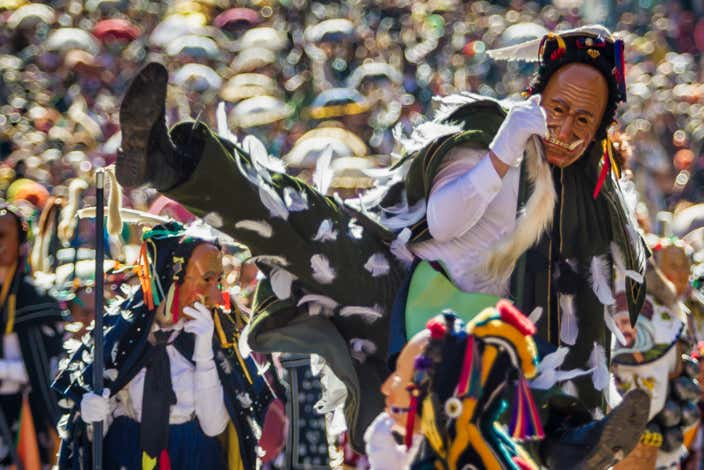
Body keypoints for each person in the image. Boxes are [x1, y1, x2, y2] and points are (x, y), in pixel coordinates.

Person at [113, 25, 648, 464]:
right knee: (308, 225)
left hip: (483, 340)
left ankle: (574, 444)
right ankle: (170, 162)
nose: (565, 130)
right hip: (402, 293)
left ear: (603, 126)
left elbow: (599, 299)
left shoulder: (593, 194)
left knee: (560, 360)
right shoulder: (491, 132)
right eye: (557, 109)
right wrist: (504, 152)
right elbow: (441, 221)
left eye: (584, 120)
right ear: (536, 96)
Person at [52, 221, 276, 469]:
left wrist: (204, 355)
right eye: (206, 280)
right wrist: (93, 414)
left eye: (218, 281)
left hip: (193, 456)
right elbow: (91, 436)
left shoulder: (219, 336)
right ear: (171, 278)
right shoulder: (120, 334)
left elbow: (213, 426)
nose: (215, 297)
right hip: (127, 454)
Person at [0, 202, 64, 468]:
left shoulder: (37, 301)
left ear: (20, 241)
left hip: (23, 411)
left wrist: (5, 371)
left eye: (2, 235)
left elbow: (48, 372)